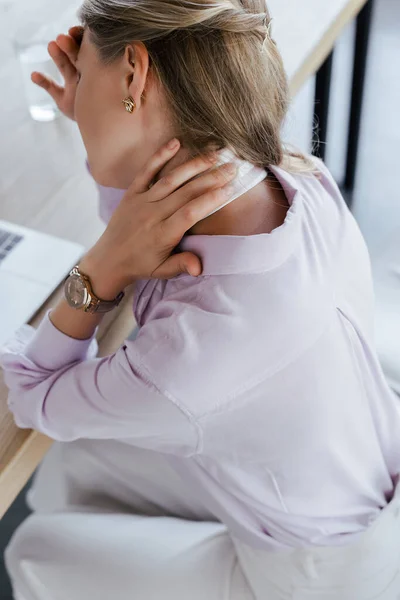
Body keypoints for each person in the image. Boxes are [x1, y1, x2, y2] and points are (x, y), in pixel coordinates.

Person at [2, 1, 400, 598]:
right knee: (69, 463)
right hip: (339, 467)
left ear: (134, 75)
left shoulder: (191, 361)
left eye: (88, 75)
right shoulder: (291, 179)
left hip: (315, 573)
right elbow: (149, 229)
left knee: (35, 550)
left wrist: (98, 272)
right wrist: (113, 133)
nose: (76, 94)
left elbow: (31, 391)